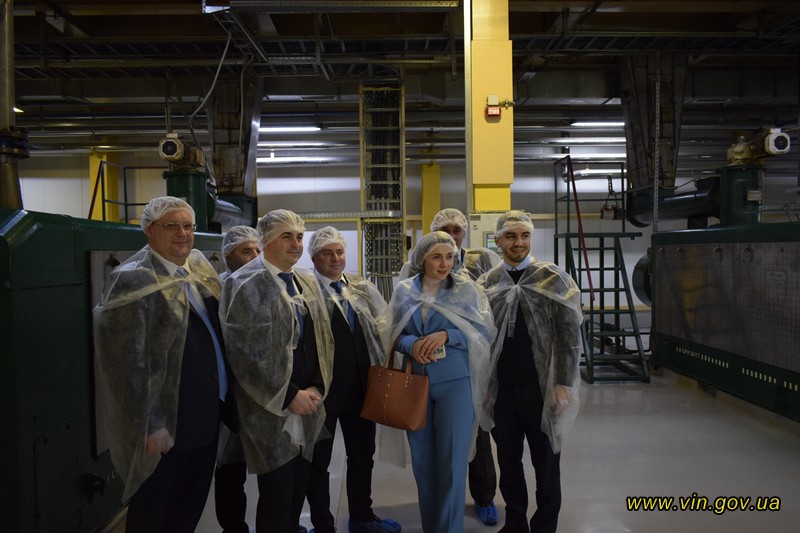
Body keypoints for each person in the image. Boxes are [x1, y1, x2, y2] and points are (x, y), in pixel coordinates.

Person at [93, 196, 234, 533]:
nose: (182, 234)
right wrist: (152, 423)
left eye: (188, 226)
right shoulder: (133, 280)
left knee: (189, 505)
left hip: (207, 411)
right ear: (150, 230)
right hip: (169, 421)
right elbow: (126, 363)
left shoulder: (197, 272)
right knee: (155, 509)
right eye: (172, 226)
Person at [219, 209, 333, 533]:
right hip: (269, 411)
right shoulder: (245, 284)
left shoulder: (305, 283)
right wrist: (289, 395)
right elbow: (243, 354)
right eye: (287, 236)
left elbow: (322, 341)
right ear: (265, 241)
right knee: (277, 496)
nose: (296, 244)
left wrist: (317, 387)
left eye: (299, 236)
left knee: (297, 491)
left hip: (308, 406)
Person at [381, 231, 497, 533]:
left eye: (449, 257)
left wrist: (449, 335)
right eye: (437, 257)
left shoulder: (466, 290)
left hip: (455, 384)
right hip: (415, 383)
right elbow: (392, 333)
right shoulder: (405, 290)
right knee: (423, 464)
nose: (445, 264)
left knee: (453, 464)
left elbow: (485, 331)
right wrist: (411, 344)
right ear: (422, 260)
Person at [477, 211, 583, 533]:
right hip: (502, 391)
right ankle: (516, 524)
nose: (518, 243)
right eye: (511, 236)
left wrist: (563, 383)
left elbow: (569, 335)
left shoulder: (552, 278)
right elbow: (479, 341)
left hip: (542, 388)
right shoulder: (486, 284)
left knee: (546, 465)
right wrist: (484, 387)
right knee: (508, 464)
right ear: (497, 241)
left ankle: (545, 527)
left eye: (524, 235)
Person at [304, 226, 401, 533]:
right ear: (314, 258)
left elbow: (384, 327)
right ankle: (323, 524)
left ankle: (362, 516)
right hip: (323, 392)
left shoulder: (360, 288)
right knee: (318, 461)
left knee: (362, 455)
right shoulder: (305, 292)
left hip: (361, 388)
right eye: (327, 253)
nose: (335, 258)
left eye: (339, 252)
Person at [214, 224, 261, 533]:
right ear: (228, 258)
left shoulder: (268, 288)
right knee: (230, 469)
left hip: (264, 393)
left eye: (258, 251)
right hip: (229, 394)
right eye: (246, 252)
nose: (255, 257)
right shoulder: (216, 291)